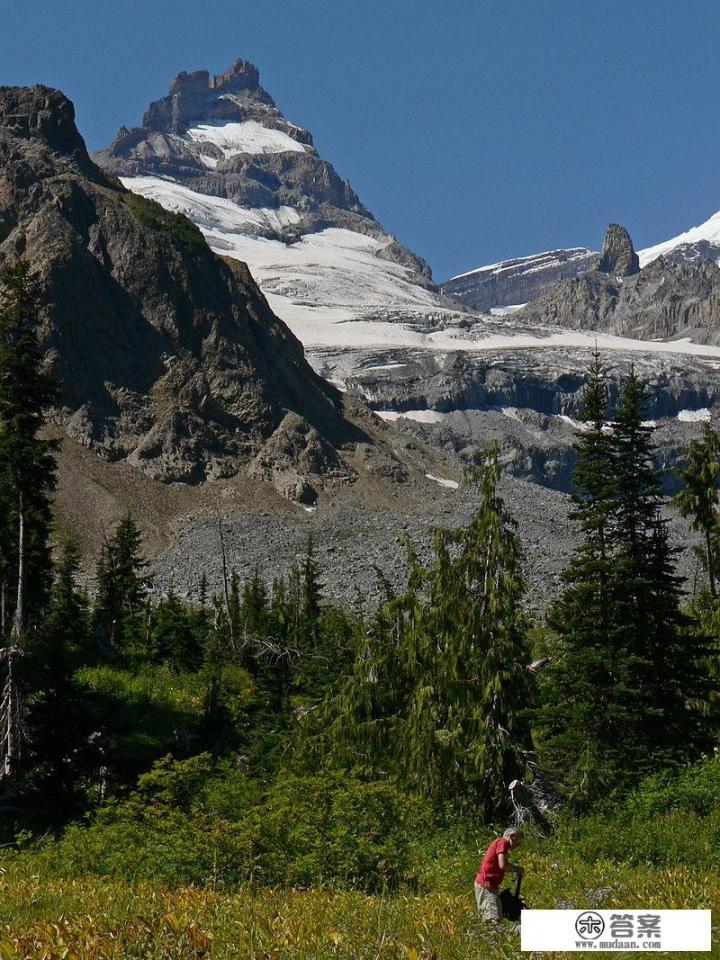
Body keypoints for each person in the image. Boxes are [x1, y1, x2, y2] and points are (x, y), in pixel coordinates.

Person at [474, 827, 524, 922]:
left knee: (491, 917)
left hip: (487, 885)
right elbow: (503, 864)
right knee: (494, 918)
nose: (518, 844)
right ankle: (494, 936)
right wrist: (517, 869)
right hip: (486, 885)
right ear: (512, 836)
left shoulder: (500, 844)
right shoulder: (503, 842)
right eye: (518, 840)